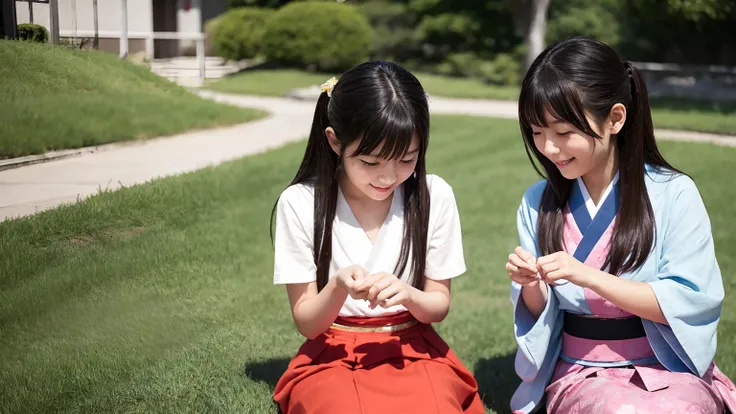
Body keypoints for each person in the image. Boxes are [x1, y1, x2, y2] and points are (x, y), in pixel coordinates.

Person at [507, 37, 736, 414]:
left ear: (615, 118)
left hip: (670, 365)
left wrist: (589, 277)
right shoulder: (538, 202)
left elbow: (690, 300)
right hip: (583, 372)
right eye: (536, 132)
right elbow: (542, 313)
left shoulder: (674, 194)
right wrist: (531, 286)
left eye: (564, 133)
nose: (548, 148)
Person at [271, 60, 483, 414]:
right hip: (333, 355)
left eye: (407, 159)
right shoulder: (301, 203)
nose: (388, 177)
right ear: (334, 141)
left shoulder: (434, 195)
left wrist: (410, 295)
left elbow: (438, 306)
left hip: (412, 349)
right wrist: (337, 286)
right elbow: (308, 323)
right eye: (370, 162)